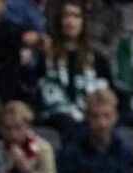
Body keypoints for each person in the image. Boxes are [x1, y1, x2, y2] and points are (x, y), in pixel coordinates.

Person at [37, 0, 112, 136]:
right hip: (56, 116)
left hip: (90, 115)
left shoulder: (97, 58)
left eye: (76, 16)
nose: (70, 22)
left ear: (83, 22)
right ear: (59, 21)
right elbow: (40, 91)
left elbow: (106, 93)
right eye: (66, 16)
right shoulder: (46, 57)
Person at [58, 86, 133, 173]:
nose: (102, 123)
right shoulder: (71, 153)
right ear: (87, 117)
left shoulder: (126, 152)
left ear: (115, 117)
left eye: (107, 116)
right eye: (95, 116)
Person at [0, 98, 56, 173]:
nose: (13, 134)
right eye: (8, 128)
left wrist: (27, 171)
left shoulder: (44, 149)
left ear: (28, 127)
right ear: (1, 127)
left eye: (18, 128)